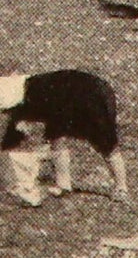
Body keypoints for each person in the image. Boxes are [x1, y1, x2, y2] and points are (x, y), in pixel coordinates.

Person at [1, 69, 129, 204]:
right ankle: (63, 184)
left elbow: (9, 131)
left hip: (78, 92)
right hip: (57, 92)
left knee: (104, 139)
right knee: (56, 134)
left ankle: (121, 187)